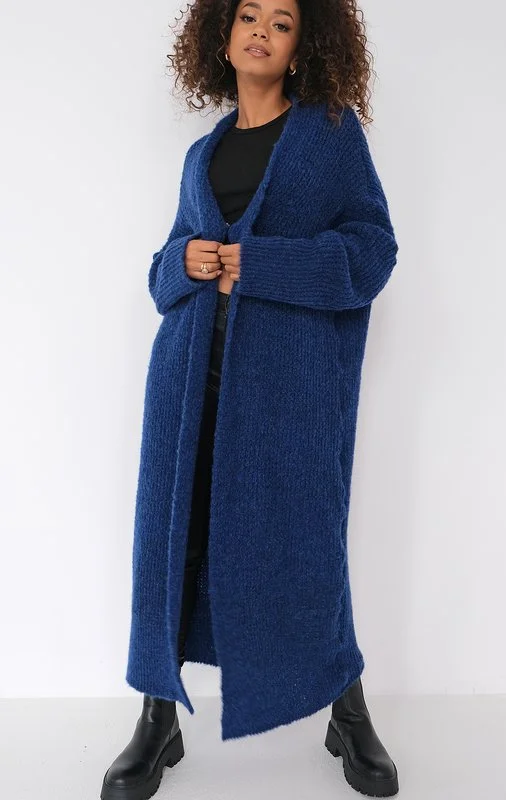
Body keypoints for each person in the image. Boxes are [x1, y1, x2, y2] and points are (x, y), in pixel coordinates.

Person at [100, 0, 400, 798]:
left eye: (282, 21)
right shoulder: (202, 154)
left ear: (303, 47)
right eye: (247, 16)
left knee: (308, 545)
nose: (261, 30)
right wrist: (182, 264)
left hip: (286, 396)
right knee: (174, 543)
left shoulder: (330, 136)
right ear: (222, 37)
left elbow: (372, 251)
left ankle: (347, 710)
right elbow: (163, 273)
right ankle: (157, 716)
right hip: (187, 384)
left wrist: (261, 266)